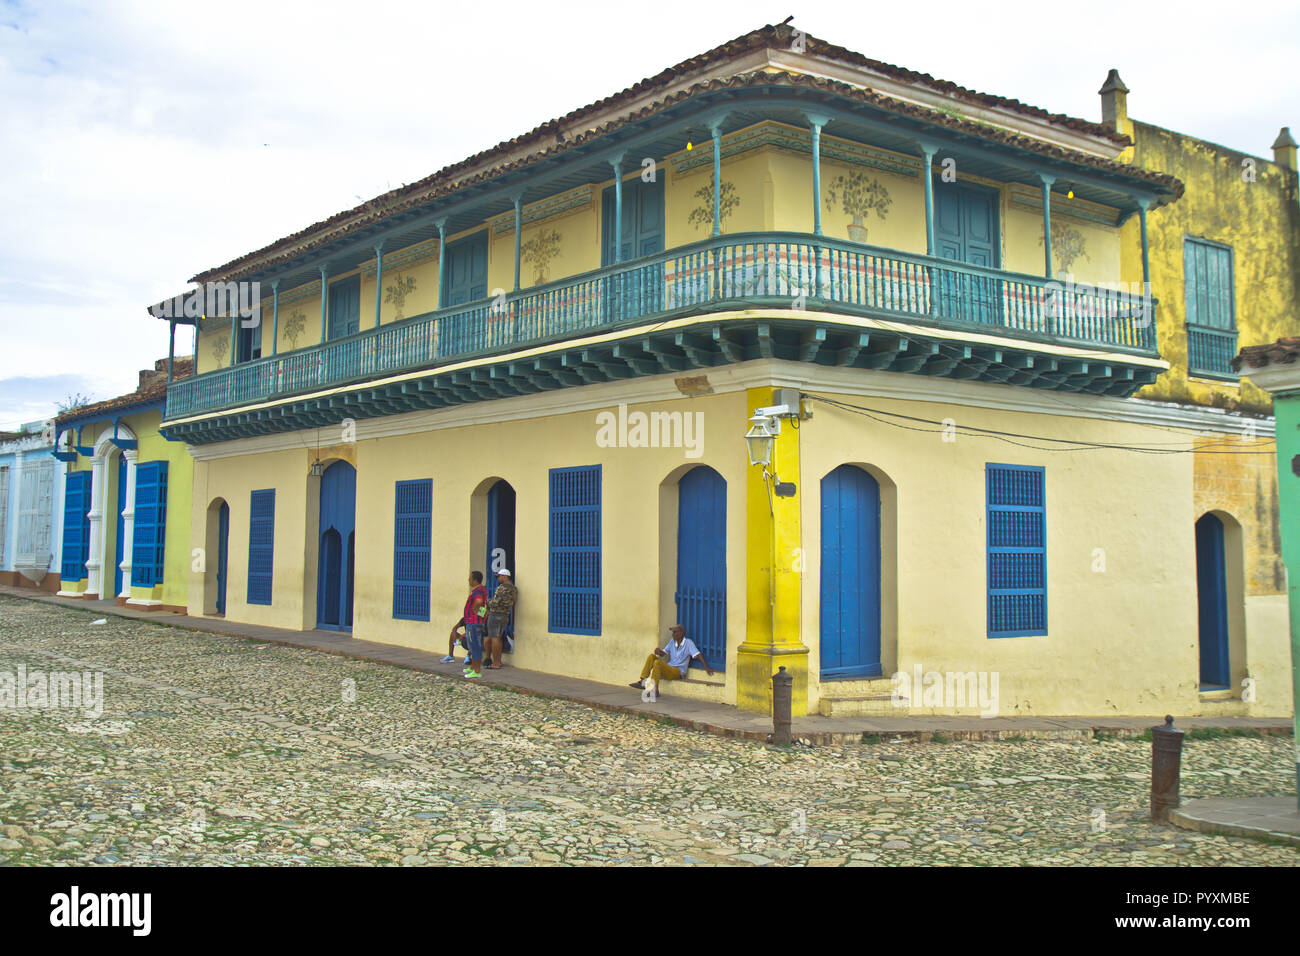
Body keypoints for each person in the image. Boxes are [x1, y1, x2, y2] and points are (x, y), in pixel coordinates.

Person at [630, 625, 713, 700]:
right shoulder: (672, 642)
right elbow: (663, 653)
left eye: (675, 632)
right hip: (669, 668)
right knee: (652, 656)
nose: (673, 634)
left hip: (678, 672)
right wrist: (659, 651)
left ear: (681, 633)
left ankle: (655, 690)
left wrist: (707, 667)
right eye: (673, 632)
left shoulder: (688, 643)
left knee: (657, 663)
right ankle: (643, 681)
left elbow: (698, 654)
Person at [442, 571, 488, 678]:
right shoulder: (479, 589)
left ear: (475, 580)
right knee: (473, 646)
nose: (468, 580)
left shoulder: (478, 590)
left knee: (475, 646)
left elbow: (479, 601)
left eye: (470, 578)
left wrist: (474, 609)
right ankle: (473, 667)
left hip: (474, 623)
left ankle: (476, 671)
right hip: (474, 621)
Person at [483, 569, 517, 669]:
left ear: (505, 576)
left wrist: (487, 601)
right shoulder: (514, 589)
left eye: (499, 576)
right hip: (505, 615)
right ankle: (498, 661)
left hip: (495, 614)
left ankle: (496, 663)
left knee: (495, 638)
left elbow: (495, 603)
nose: (498, 578)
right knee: (499, 637)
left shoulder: (501, 588)